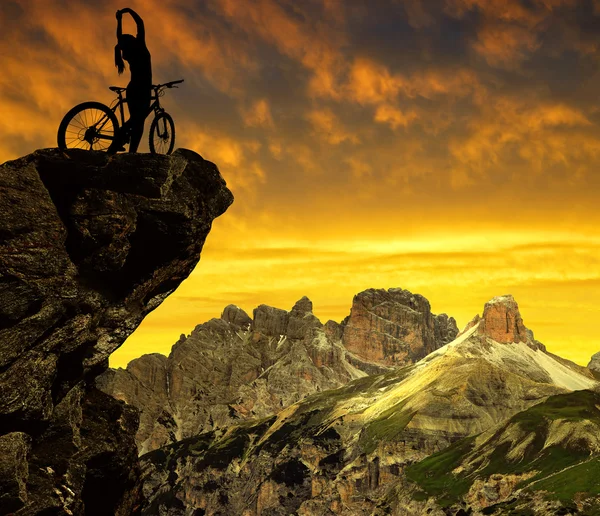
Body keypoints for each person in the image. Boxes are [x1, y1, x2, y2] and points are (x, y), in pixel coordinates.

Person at [114, 8, 152, 153]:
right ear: (133, 40)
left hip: (133, 88)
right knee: (139, 121)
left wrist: (119, 20)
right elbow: (140, 23)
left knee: (136, 119)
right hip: (143, 88)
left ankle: (121, 139)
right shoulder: (140, 46)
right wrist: (128, 10)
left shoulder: (128, 52)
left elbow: (119, 37)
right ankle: (132, 151)